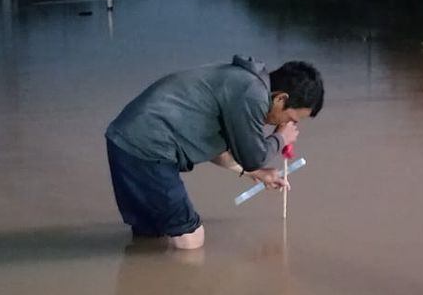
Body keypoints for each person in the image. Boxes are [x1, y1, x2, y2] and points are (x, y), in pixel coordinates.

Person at [105, 57, 323, 249]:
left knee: (151, 236)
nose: (289, 124)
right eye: (292, 118)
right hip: (148, 148)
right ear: (280, 99)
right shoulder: (252, 94)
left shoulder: (242, 84)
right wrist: (281, 138)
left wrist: (257, 173)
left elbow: (215, 149)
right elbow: (254, 157)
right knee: (191, 237)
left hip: (124, 141)